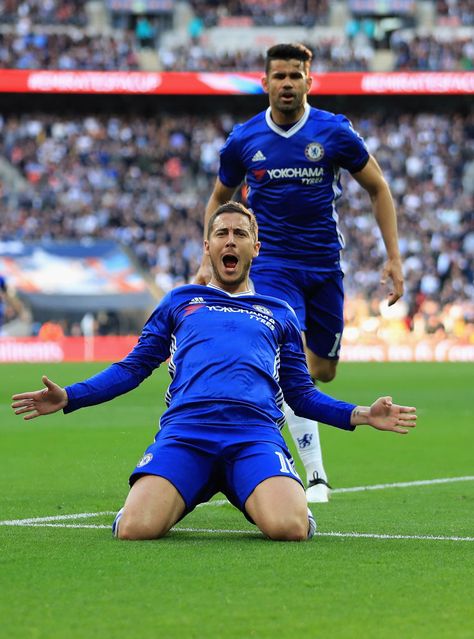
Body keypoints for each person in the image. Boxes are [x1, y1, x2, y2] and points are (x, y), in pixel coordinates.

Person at [12, 203, 415, 542]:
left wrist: (361, 414)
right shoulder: (180, 301)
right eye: (221, 233)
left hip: (254, 436)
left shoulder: (279, 312)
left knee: (289, 528)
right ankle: (173, 489)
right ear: (208, 246)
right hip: (187, 434)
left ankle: (262, 489)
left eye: (240, 233)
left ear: (255, 247)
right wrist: (71, 396)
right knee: (135, 529)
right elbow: (133, 368)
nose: (230, 240)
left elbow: (302, 395)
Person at [195, 43, 404, 503]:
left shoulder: (334, 132)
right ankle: (312, 474)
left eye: (295, 76)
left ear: (309, 81)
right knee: (287, 358)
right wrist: (209, 253)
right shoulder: (244, 139)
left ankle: (273, 407)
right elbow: (218, 198)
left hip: (325, 265)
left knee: (322, 371)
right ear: (265, 82)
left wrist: (394, 256)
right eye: (279, 76)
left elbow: (377, 187)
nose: (287, 83)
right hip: (270, 266)